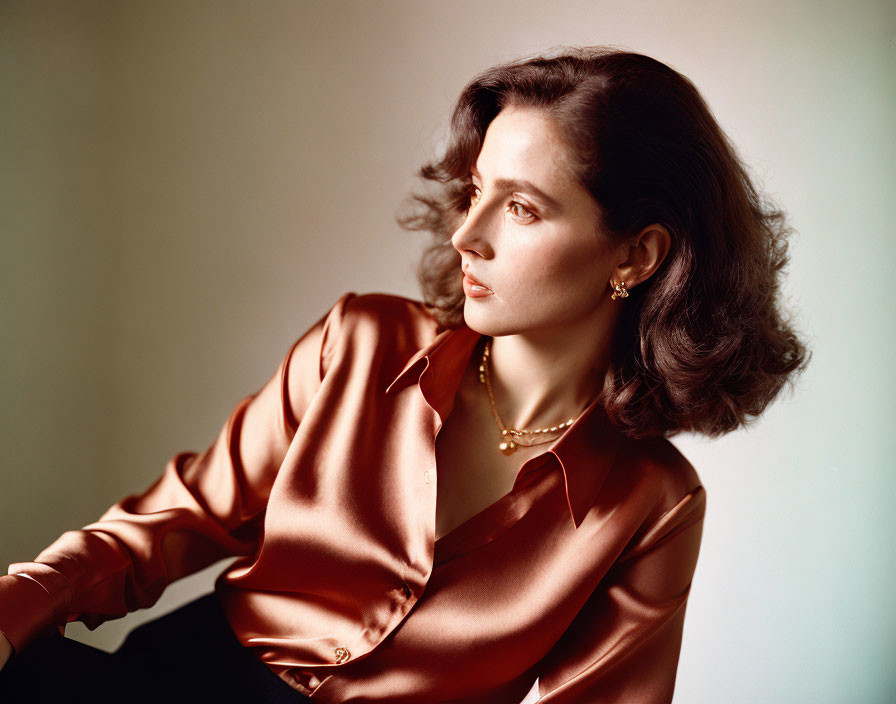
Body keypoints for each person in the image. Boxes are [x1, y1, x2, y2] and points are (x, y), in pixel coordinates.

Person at [0, 46, 810, 703]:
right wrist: (15, 610)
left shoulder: (652, 506)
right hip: (170, 685)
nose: (469, 235)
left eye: (522, 208)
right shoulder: (361, 341)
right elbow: (172, 524)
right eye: (475, 192)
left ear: (635, 255)